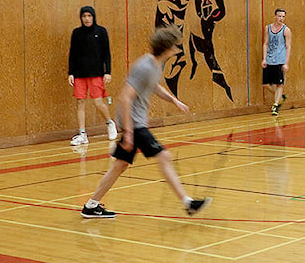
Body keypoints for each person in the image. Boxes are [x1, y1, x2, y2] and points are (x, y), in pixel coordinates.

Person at [80, 26, 211, 219]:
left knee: (120, 165)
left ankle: (91, 205)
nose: (178, 49)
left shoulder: (156, 65)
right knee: (164, 156)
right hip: (134, 124)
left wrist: (174, 100)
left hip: (135, 123)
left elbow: (154, 85)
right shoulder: (145, 67)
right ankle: (188, 203)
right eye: (176, 46)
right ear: (167, 48)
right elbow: (125, 98)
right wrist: (130, 133)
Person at [67, 5, 117, 145]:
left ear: (93, 17)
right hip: (79, 74)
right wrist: (71, 73)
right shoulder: (76, 33)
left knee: (98, 102)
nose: (87, 19)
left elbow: (106, 53)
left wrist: (108, 72)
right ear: (81, 18)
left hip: (96, 73)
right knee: (80, 102)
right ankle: (82, 134)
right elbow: (73, 54)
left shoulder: (101, 32)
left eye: (89, 16)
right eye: (84, 16)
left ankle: (109, 122)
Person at [263, 8, 292, 115]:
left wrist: (286, 63)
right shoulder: (268, 28)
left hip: (280, 59)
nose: (281, 18)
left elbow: (288, 46)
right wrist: (264, 58)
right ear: (275, 16)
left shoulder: (286, 30)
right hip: (270, 58)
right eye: (279, 16)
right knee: (266, 84)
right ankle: (280, 96)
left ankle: (275, 106)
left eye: (283, 16)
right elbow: (265, 43)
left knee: (279, 84)